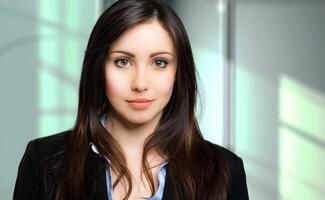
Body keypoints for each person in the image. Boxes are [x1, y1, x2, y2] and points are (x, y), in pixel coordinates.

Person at [13, 0, 249, 199]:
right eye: (122, 61)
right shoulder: (43, 162)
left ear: (178, 73)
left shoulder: (224, 171)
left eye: (159, 62)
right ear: (98, 68)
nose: (140, 83)